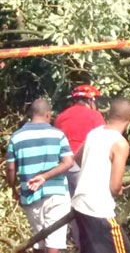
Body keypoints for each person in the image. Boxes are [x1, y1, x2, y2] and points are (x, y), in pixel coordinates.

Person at [5, 98, 74, 253]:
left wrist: (14, 188)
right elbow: (68, 162)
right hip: (56, 193)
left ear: (31, 114)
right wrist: (45, 176)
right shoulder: (58, 135)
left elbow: (10, 168)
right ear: (48, 115)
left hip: (30, 193)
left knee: (38, 240)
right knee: (54, 243)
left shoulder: (16, 137)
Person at [71, 97, 130, 253]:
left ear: (110, 114)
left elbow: (77, 158)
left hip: (79, 203)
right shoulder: (120, 143)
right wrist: (119, 190)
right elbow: (115, 187)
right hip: (98, 208)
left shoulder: (94, 133)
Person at [54, 84, 105, 246]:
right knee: (93, 206)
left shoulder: (60, 117)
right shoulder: (95, 116)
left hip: (63, 168)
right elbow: (101, 143)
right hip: (84, 167)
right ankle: (96, 245)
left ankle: (81, 245)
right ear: (90, 100)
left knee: (74, 210)